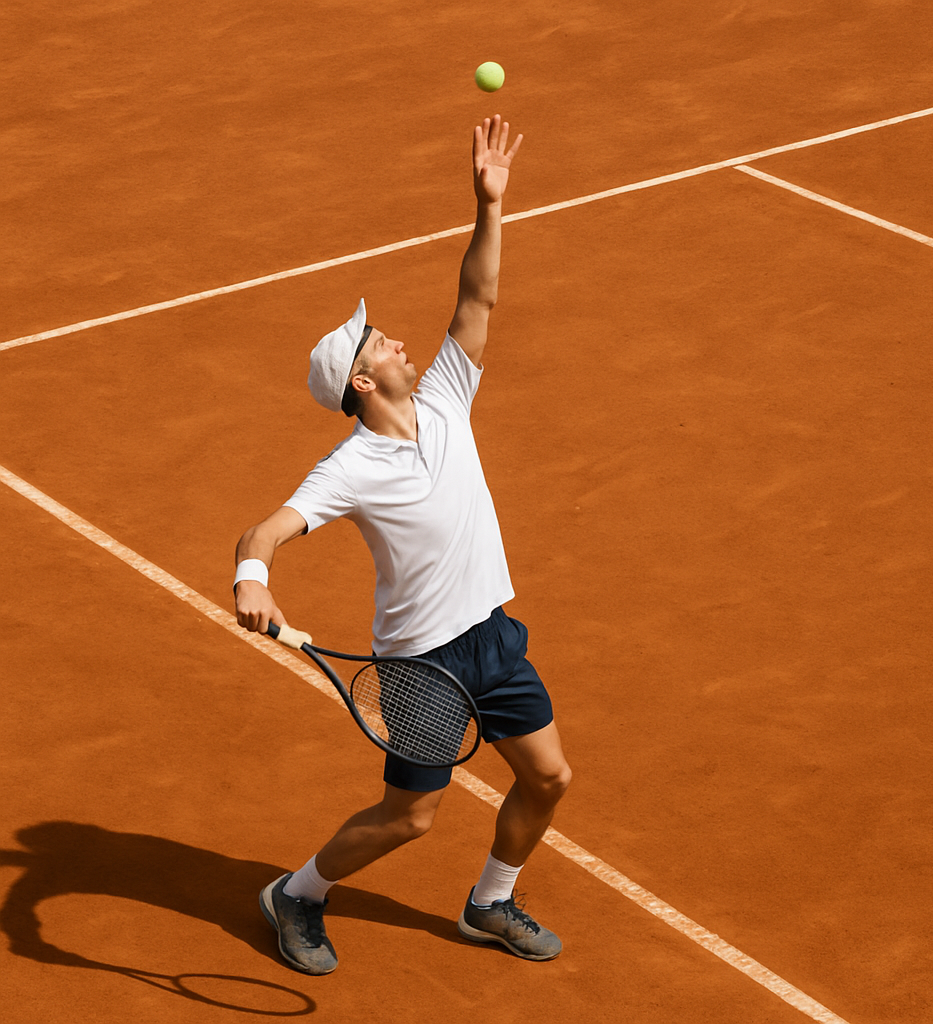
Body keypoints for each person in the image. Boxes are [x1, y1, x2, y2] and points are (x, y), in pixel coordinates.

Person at [233, 116, 571, 974]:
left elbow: (478, 298)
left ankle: (488, 903)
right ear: (360, 378)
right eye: (378, 339)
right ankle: (296, 894)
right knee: (410, 817)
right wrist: (252, 576)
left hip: (492, 635)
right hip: (423, 665)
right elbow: (266, 529)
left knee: (548, 779)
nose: (396, 338)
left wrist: (489, 205)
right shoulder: (348, 468)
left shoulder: (450, 396)